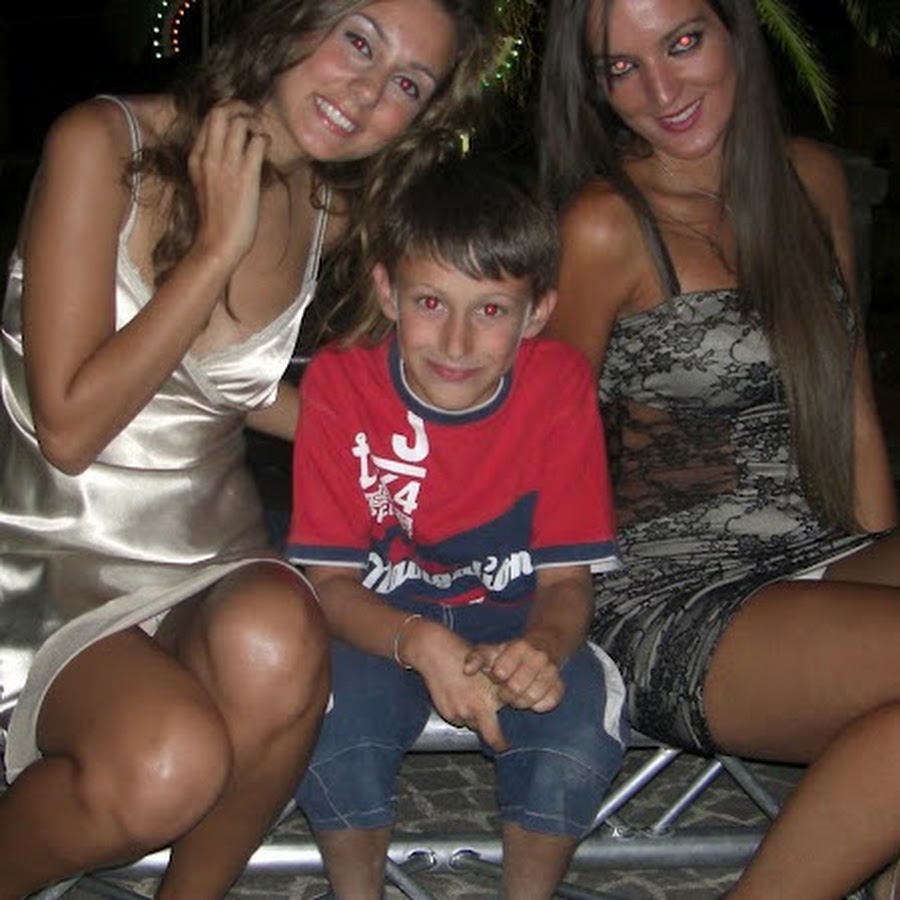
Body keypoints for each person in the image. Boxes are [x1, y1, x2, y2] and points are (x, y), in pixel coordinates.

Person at [0, 1, 499, 897]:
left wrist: (422, 448)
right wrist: (216, 249)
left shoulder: (325, 206)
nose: (366, 92)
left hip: (206, 550)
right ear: (293, 20)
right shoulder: (103, 143)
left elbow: (222, 381)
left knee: (279, 635)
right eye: (358, 41)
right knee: (166, 763)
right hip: (48, 556)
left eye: (406, 84)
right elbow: (69, 429)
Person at [538, 0, 900, 897]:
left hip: (816, 553)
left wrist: (876, 560)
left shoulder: (811, 180)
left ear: (736, 32)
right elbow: (537, 450)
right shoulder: (603, 225)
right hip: (666, 592)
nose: (660, 90)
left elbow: (850, 405)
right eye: (622, 67)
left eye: (683, 42)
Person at [286, 155, 627, 900]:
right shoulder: (339, 381)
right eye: (431, 303)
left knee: (576, 727)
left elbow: (567, 582)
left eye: (492, 310)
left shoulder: (560, 383)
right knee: (325, 717)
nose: (457, 342)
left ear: (537, 313)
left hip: (517, 618)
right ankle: (355, 890)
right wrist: (417, 640)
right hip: (377, 622)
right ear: (388, 291)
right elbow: (331, 586)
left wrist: (542, 649)